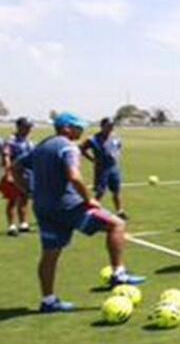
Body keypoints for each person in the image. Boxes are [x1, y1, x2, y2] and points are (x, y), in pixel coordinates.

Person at [12, 112, 145, 312]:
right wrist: (89, 199)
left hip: (43, 207)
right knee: (116, 224)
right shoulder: (68, 147)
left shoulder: (42, 146)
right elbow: (74, 176)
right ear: (66, 128)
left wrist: (28, 191)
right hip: (68, 206)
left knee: (50, 253)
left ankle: (48, 301)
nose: (81, 130)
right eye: (78, 127)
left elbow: (15, 168)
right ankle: (119, 274)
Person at [80, 118, 127, 220]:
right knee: (100, 192)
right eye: (108, 126)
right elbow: (82, 148)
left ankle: (120, 211)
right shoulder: (93, 139)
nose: (111, 127)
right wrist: (92, 159)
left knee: (116, 191)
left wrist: (116, 157)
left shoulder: (115, 137)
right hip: (102, 169)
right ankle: (91, 211)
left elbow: (118, 147)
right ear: (102, 126)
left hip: (114, 167)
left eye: (112, 126)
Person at [2, 117, 34, 236]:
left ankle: (23, 224)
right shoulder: (11, 141)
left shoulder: (28, 142)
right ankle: (11, 226)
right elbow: (6, 157)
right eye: (26, 127)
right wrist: (9, 174)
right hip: (14, 174)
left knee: (24, 198)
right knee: (13, 199)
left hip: (26, 174)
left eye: (29, 127)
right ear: (19, 127)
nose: (29, 129)